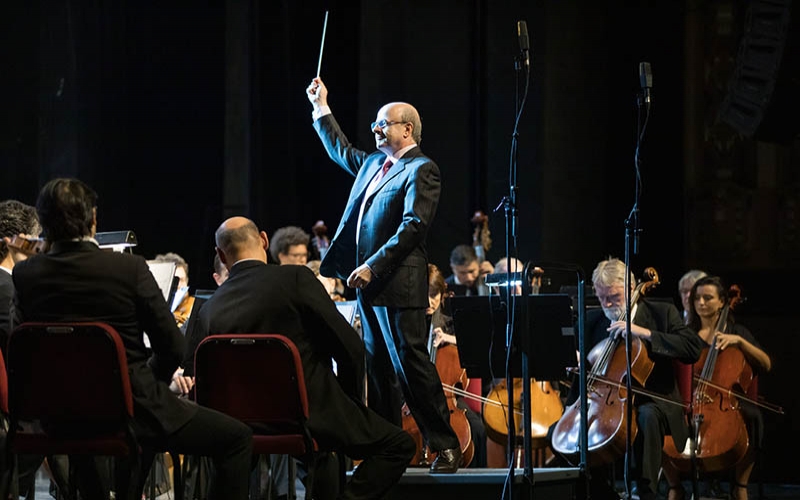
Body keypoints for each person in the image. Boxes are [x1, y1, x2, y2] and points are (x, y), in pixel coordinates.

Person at [11, 178, 253, 500]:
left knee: (86, 434)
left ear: (44, 224)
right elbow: (172, 347)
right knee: (237, 439)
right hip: (132, 410)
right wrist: (144, 382)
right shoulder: (128, 268)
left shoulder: (26, 274)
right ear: (93, 219)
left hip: (60, 414)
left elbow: (21, 348)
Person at [185, 216, 415, 499]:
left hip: (241, 425)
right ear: (265, 241)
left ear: (221, 255)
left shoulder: (210, 308)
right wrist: (351, 404)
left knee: (320, 453)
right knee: (399, 445)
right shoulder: (296, 279)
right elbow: (351, 347)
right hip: (310, 417)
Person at [306, 76, 462, 473]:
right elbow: (341, 150)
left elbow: (413, 226)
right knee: (376, 370)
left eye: (383, 124)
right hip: (369, 285)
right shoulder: (376, 163)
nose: (376, 129)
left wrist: (373, 264)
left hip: (396, 280)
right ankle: (390, 449)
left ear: (406, 129)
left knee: (410, 364)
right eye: (375, 124)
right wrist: (321, 106)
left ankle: (445, 446)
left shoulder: (422, 169)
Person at [551, 257, 705, 500]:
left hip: (654, 402)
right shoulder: (592, 321)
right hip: (602, 402)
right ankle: (601, 491)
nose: (607, 303)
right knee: (560, 434)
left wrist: (645, 333)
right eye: (602, 297)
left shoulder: (661, 313)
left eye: (613, 296)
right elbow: (581, 371)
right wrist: (575, 362)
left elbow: (692, 348)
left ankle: (646, 492)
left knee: (645, 418)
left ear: (630, 289)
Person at [662, 276, 772, 500]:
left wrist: (739, 342)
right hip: (690, 399)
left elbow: (766, 363)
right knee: (658, 419)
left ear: (722, 301)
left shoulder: (736, 331)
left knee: (753, 417)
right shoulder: (686, 334)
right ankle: (675, 486)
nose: (701, 302)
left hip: (724, 401)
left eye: (708, 298)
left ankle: (740, 485)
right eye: (697, 298)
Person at [425, 263, 488, 468]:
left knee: (477, 429)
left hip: (448, 401)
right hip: (412, 400)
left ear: (442, 295)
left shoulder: (451, 325)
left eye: (434, 295)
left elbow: (478, 348)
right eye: (424, 294)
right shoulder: (408, 325)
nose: (429, 301)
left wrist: (450, 339)